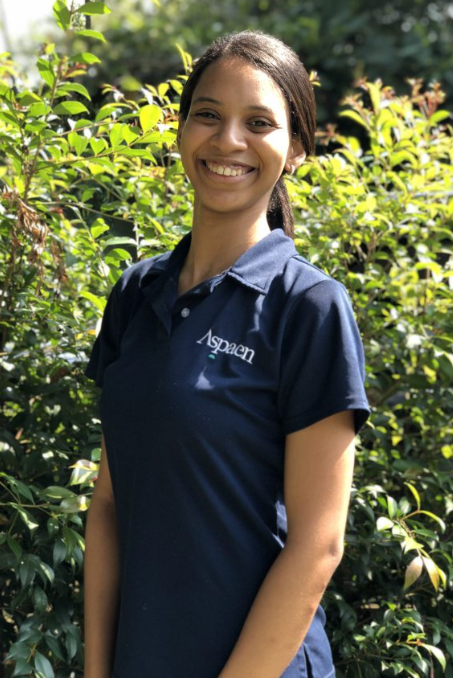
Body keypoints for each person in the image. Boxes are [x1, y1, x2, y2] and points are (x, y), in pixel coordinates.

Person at [83, 30, 371, 678]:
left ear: (295, 149)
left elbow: (317, 547)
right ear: (182, 130)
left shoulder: (309, 308)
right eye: (208, 114)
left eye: (259, 123)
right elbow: (109, 506)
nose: (228, 140)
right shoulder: (136, 293)